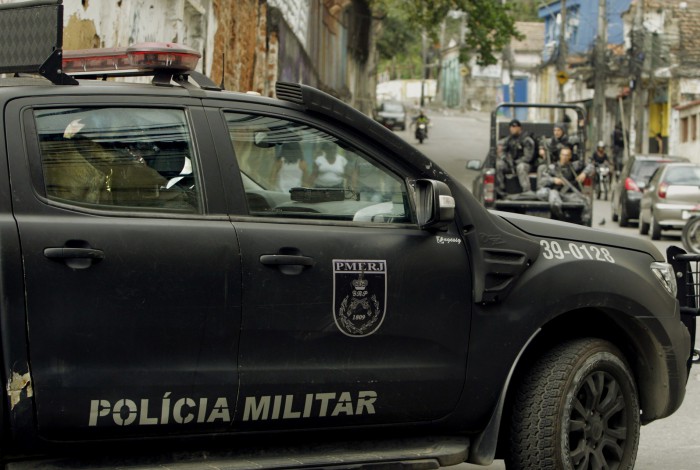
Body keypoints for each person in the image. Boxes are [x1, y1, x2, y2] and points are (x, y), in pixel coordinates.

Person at [536, 146, 594, 224]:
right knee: (554, 201)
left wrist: (584, 173)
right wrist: (553, 180)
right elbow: (541, 181)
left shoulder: (574, 166)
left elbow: (591, 166)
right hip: (556, 193)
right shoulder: (552, 167)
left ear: (570, 156)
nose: (564, 157)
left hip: (570, 195)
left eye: (567, 155)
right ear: (560, 155)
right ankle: (562, 218)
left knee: (586, 201)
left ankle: (584, 224)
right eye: (563, 155)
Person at [496, 119, 535, 195]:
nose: (512, 129)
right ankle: (501, 189)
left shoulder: (527, 140)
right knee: (499, 164)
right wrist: (504, 158)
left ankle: (526, 190)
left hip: (526, 164)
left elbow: (528, 157)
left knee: (521, 167)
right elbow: (502, 150)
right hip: (511, 164)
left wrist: (515, 162)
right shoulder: (509, 139)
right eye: (511, 127)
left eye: (514, 126)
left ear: (519, 128)